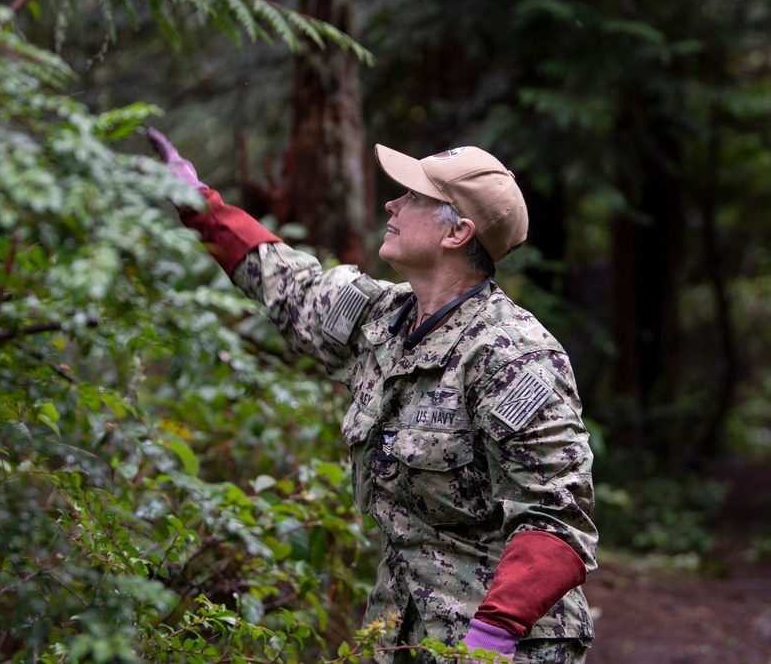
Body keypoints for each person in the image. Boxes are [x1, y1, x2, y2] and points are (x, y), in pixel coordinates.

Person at [146, 128, 597, 664]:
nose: (392, 203)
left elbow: (556, 520)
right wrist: (201, 207)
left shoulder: (511, 355)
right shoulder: (380, 318)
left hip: (507, 641)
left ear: (457, 233)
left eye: (414, 197)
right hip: (400, 626)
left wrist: (492, 637)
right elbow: (289, 283)